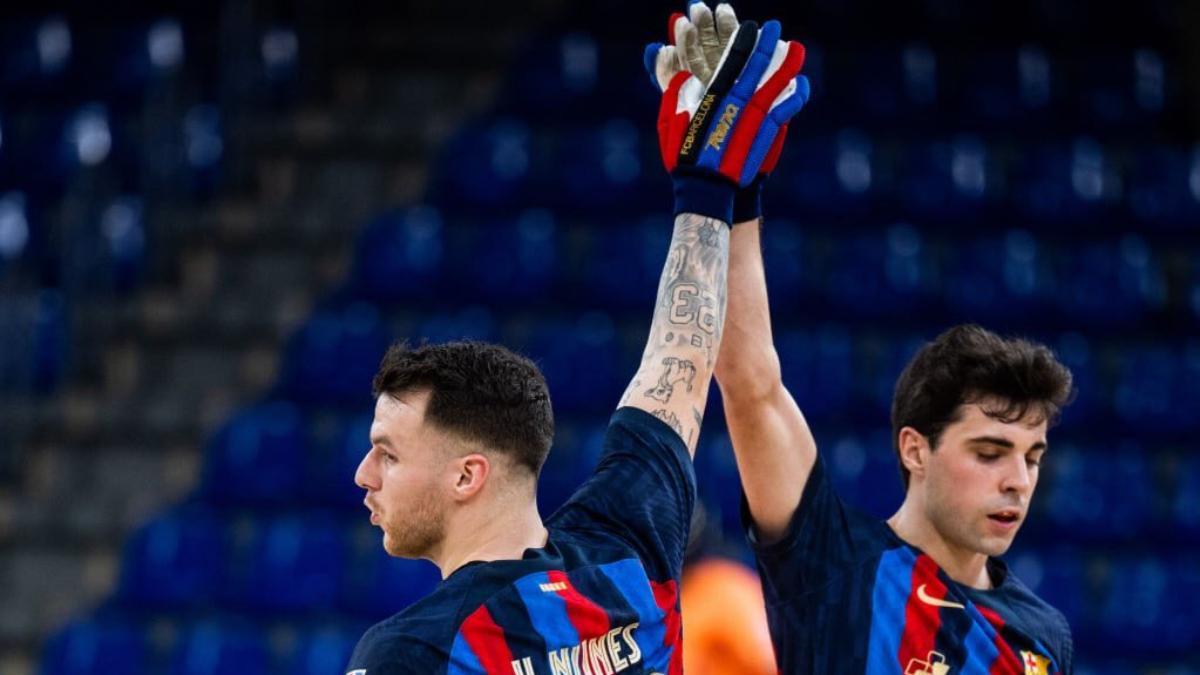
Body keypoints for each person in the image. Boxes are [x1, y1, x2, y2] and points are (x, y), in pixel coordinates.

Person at [344, 17, 809, 674]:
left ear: (467, 474)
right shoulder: (626, 547)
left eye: (387, 453)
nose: (364, 473)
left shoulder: (413, 651)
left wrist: (711, 187)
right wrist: (713, 186)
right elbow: (680, 358)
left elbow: (680, 357)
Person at [651, 4, 1078, 673]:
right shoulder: (831, 557)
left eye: (1032, 455)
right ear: (915, 448)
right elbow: (751, 383)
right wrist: (729, 188)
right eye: (992, 450)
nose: (1017, 481)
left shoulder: (1044, 635)